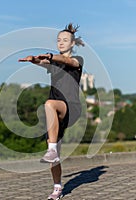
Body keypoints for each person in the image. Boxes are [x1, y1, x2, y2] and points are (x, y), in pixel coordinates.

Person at [18, 23, 85, 200]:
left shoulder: (77, 61)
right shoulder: (54, 62)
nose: (61, 43)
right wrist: (33, 59)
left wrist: (49, 56)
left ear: (72, 44)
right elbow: (45, 62)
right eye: (58, 40)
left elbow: (66, 61)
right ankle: (57, 188)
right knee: (54, 155)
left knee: (49, 104)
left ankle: (52, 148)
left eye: (65, 40)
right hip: (56, 114)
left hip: (70, 107)